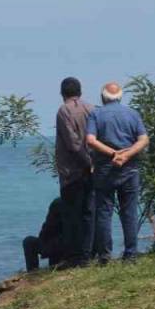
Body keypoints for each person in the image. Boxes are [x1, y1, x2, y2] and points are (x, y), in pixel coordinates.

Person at [86, 82, 150, 263]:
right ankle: (130, 254)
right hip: (129, 169)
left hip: (104, 168)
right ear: (121, 96)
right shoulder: (132, 114)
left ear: (102, 97)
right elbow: (144, 139)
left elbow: (90, 140)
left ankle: (105, 255)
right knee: (129, 211)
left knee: (104, 212)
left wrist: (113, 153)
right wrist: (127, 154)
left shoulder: (96, 114)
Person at [54, 77, 95, 268]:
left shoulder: (64, 110)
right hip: (92, 168)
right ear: (80, 91)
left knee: (72, 215)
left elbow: (72, 143)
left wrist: (86, 163)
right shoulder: (91, 108)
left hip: (72, 171)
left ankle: (74, 257)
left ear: (63, 93)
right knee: (89, 213)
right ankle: (88, 254)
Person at [23, 198, 64, 271]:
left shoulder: (59, 203)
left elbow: (48, 227)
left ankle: (33, 272)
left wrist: (43, 243)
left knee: (28, 241)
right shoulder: (88, 202)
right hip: (82, 248)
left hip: (62, 247)